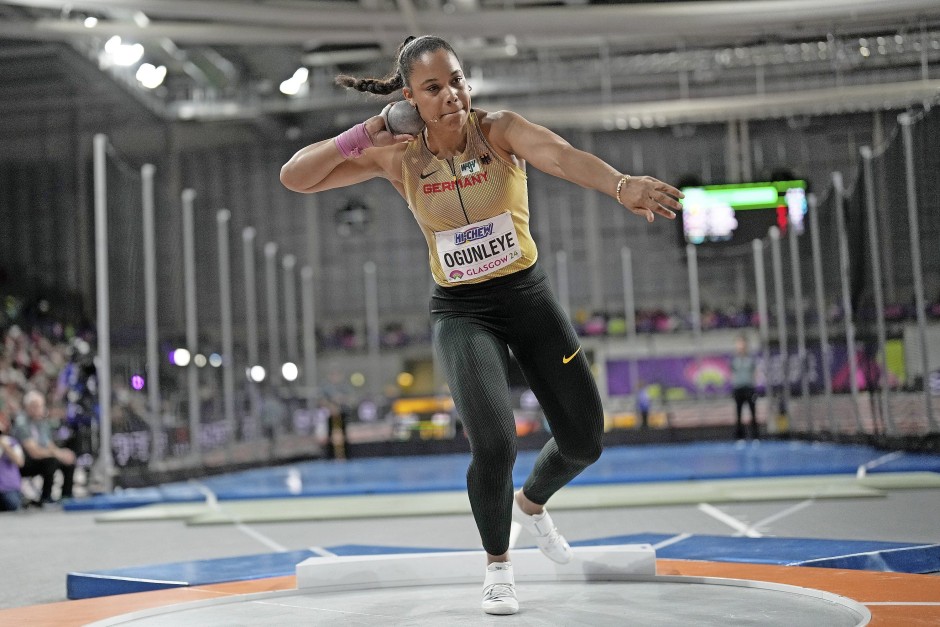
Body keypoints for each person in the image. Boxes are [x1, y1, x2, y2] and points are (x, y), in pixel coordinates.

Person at [280, 34, 683, 615]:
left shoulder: (500, 132)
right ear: (410, 99)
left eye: (458, 80)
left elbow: (561, 155)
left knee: (584, 440)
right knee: (493, 442)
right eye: (433, 88)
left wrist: (620, 185)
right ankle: (498, 567)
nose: (452, 96)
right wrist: (367, 132)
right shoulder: (397, 155)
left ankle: (534, 504)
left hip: (527, 297)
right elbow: (296, 177)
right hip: (463, 311)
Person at [13, 390, 75, 505]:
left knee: (68, 459)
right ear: (28, 407)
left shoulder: (42, 423)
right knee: (51, 462)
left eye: (40, 406)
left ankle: (66, 496)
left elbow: (49, 445)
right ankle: (46, 497)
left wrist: (62, 453)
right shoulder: (21, 423)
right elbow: (34, 452)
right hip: (24, 463)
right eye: (35, 406)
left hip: (41, 457)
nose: (39, 409)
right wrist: (57, 454)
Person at [730, 334, 758, 441]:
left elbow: (755, 372)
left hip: (749, 388)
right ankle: (740, 437)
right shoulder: (734, 359)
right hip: (738, 388)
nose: (740, 346)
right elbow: (732, 373)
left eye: (742, 343)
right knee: (738, 414)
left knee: (752, 413)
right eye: (738, 343)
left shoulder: (750, 359)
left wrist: (753, 386)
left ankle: (755, 436)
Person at [0, 408, 25, 511]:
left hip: (8, 487)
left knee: (12, 504)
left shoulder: (11, 442)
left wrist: (5, 446)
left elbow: (20, 462)